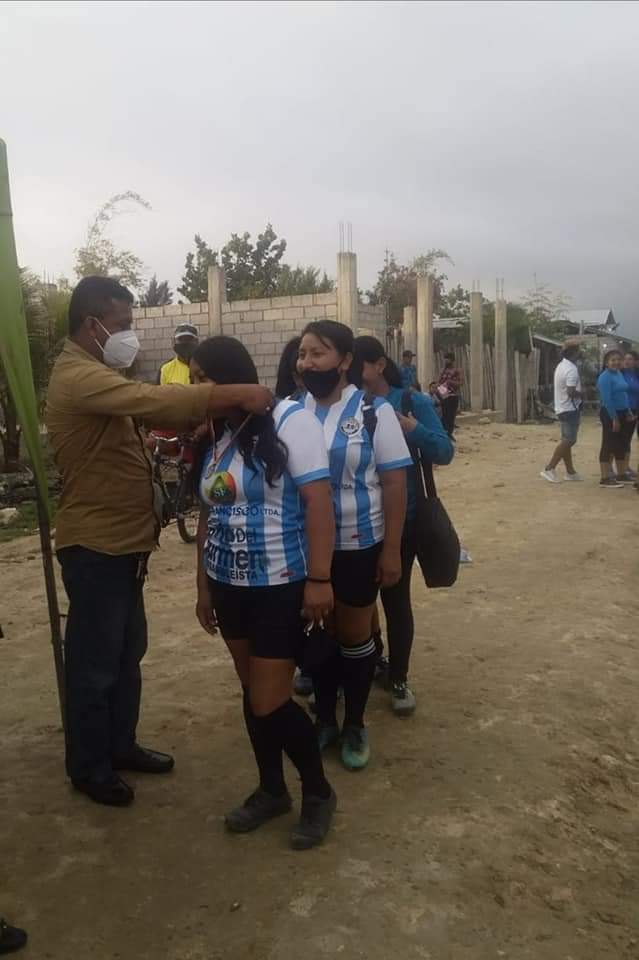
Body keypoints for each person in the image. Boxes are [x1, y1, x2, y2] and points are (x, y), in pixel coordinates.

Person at [46, 277, 273, 807]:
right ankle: (89, 767)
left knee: (127, 652)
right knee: (95, 662)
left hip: (124, 545)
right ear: (92, 325)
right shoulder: (78, 375)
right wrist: (234, 393)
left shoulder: (98, 373)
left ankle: (119, 745)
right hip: (96, 546)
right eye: (123, 324)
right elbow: (152, 400)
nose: (130, 335)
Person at [192, 336, 337, 849]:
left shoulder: (291, 420)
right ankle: (272, 789)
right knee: (252, 692)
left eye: (203, 378)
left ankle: (318, 792)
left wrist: (320, 578)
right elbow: (208, 513)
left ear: (232, 377)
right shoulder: (218, 434)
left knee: (269, 699)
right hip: (228, 585)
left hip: (279, 583)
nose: (196, 389)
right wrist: (203, 586)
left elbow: (319, 503)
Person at [298, 320, 412, 770]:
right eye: (303, 354)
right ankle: (325, 717)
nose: (308, 363)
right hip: (306, 548)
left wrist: (392, 549)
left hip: (358, 543)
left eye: (318, 353)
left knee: (354, 635)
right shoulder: (292, 411)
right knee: (318, 635)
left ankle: (355, 723)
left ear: (345, 361)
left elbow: (395, 484)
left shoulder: (373, 412)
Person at [354, 337, 454, 716]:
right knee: (357, 601)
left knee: (395, 602)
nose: (351, 372)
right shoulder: (349, 404)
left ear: (379, 365)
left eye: (358, 364)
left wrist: (412, 428)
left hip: (404, 520)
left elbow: (444, 451)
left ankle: (398, 677)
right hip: (359, 523)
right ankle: (372, 661)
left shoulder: (412, 401)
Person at [540, 341, 584, 484]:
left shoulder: (561, 365)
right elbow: (571, 392)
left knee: (566, 440)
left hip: (561, 407)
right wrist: (583, 394)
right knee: (570, 440)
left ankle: (570, 472)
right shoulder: (571, 369)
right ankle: (549, 468)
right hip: (570, 408)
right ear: (575, 352)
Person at [596, 350, 636, 487]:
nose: (616, 362)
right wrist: (614, 418)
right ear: (607, 362)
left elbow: (623, 394)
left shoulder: (619, 373)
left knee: (621, 444)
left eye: (618, 359)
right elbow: (607, 400)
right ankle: (605, 478)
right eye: (613, 360)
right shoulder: (604, 377)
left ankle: (621, 474)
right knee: (608, 444)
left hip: (623, 412)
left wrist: (628, 410)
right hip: (610, 413)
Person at [622, 351, 639, 479]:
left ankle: (625, 466)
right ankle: (613, 467)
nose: (627, 361)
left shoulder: (636, 375)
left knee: (627, 439)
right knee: (619, 439)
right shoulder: (620, 374)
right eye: (626, 359)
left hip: (634, 410)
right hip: (622, 410)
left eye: (630, 359)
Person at [437, 352, 463, 437]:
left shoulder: (457, 370)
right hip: (444, 395)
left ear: (452, 360)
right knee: (444, 416)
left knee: (451, 416)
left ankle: (449, 434)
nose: (446, 361)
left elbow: (460, 383)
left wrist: (450, 382)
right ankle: (444, 434)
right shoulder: (442, 370)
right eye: (445, 359)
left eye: (447, 359)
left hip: (453, 395)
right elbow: (439, 382)